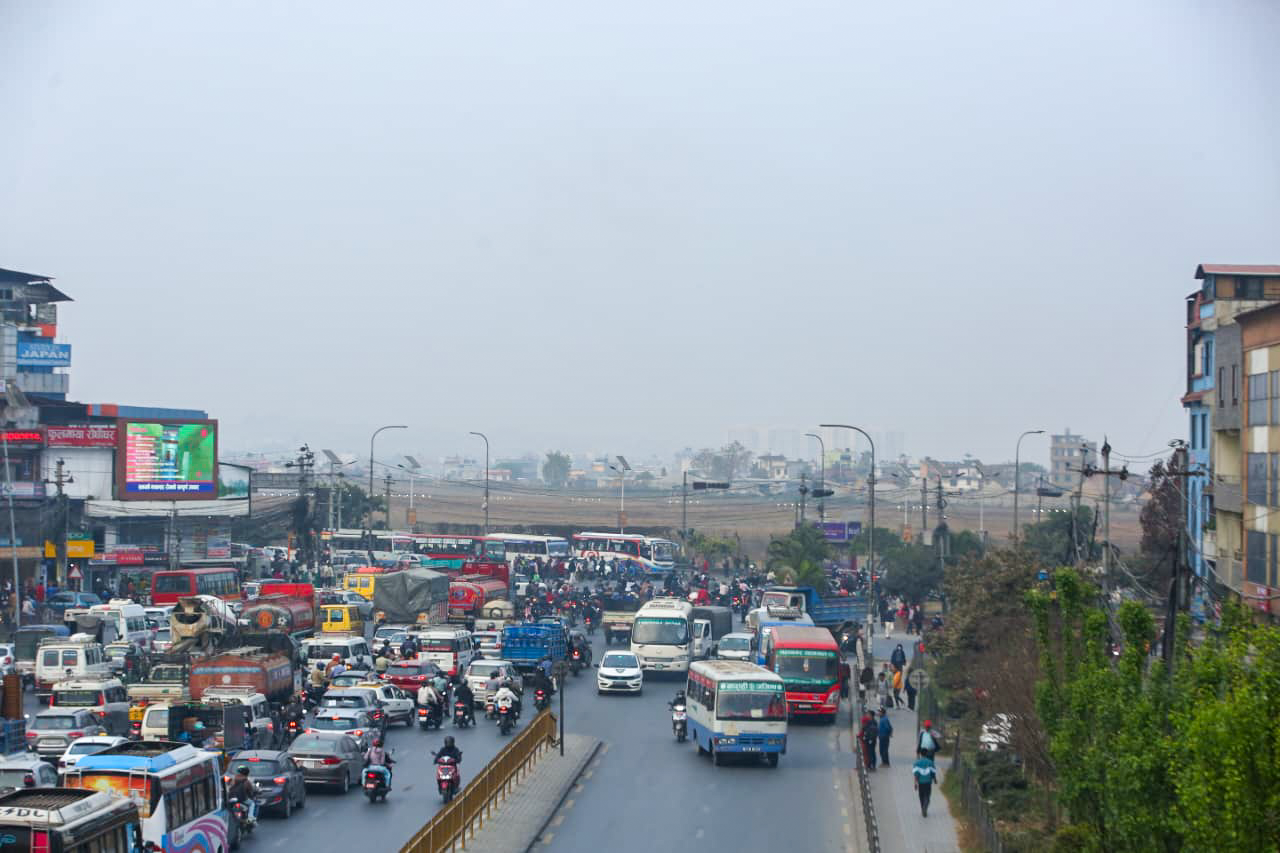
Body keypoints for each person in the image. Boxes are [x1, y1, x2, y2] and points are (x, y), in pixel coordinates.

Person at [912, 749, 940, 817]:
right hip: (928, 782)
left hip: (921, 783)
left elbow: (916, 774)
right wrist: (935, 780)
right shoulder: (930, 762)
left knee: (921, 796)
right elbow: (933, 773)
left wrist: (915, 783)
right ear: (927, 753)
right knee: (927, 795)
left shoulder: (916, 763)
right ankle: (925, 806)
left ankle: (923, 808)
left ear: (921, 754)